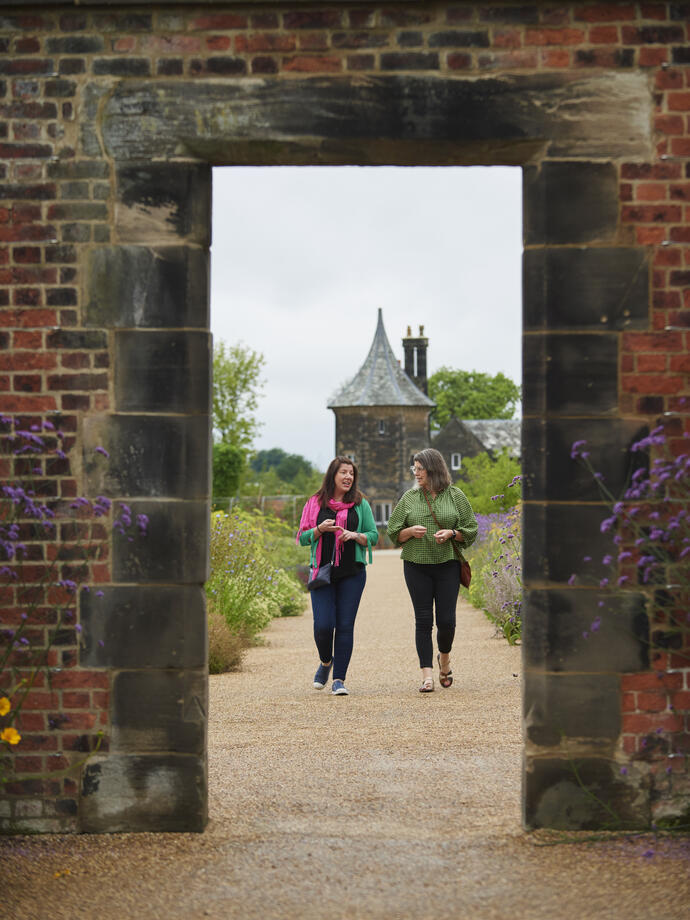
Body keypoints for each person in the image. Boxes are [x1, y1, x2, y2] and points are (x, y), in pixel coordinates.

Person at [386, 448, 477, 693]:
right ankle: (427, 675)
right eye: (413, 469)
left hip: (447, 564)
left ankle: (444, 661)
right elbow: (393, 532)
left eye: (419, 468)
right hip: (416, 565)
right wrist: (409, 532)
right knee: (423, 620)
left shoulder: (455, 496)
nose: (416, 473)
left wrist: (451, 533)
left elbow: (471, 529)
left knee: (447, 621)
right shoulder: (409, 498)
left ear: (433, 469)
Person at [297, 456, 378, 696]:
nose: (348, 477)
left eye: (351, 473)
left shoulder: (360, 503)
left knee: (344, 626)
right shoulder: (315, 503)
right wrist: (320, 529)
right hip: (322, 571)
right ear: (333, 475)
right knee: (323, 625)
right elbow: (302, 537)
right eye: (343, 472)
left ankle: (339, 680)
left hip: (352, 573)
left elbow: (372, 535)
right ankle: (325, 662)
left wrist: (354, 536)